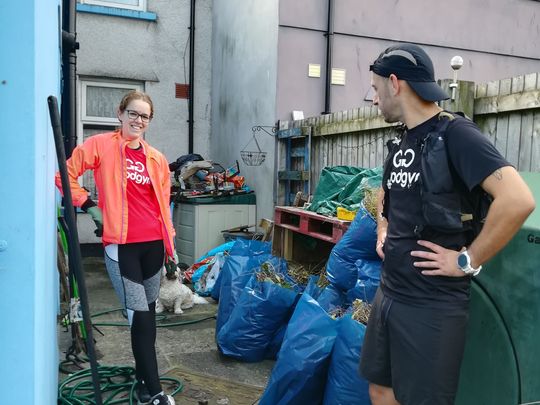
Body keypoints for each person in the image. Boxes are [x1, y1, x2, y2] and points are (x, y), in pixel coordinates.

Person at [359, 43, 535, 405]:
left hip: (431, 304)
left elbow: (518, 200)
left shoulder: (456, 134)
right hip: (390, 292)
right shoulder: (405, 140)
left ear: (395, 83)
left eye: (376, 89)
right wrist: (383, 227)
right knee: (380, 389)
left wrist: (466, 261)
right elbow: (386, 188)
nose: (373, 100)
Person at [56, 90, 177, 405]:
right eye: (133, 113)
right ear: (120, 114)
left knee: (147, 315)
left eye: (144, 116)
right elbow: (64, 175)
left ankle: (142, 384)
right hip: (122, 247)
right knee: (141, 318)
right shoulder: (100, 146)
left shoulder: (157, 159)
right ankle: (155, 392)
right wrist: (90, 205)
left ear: (149, 122)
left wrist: (170, 247)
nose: (138, 120)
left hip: (153, 246)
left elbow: (163, 205)